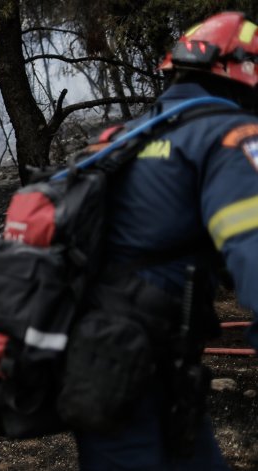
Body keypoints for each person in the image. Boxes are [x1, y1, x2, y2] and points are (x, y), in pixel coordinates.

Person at [70, 11, 258, 470]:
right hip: (142, 366)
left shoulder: (118, 139)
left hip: (89, 363)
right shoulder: (230, 136)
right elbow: (252, 250)